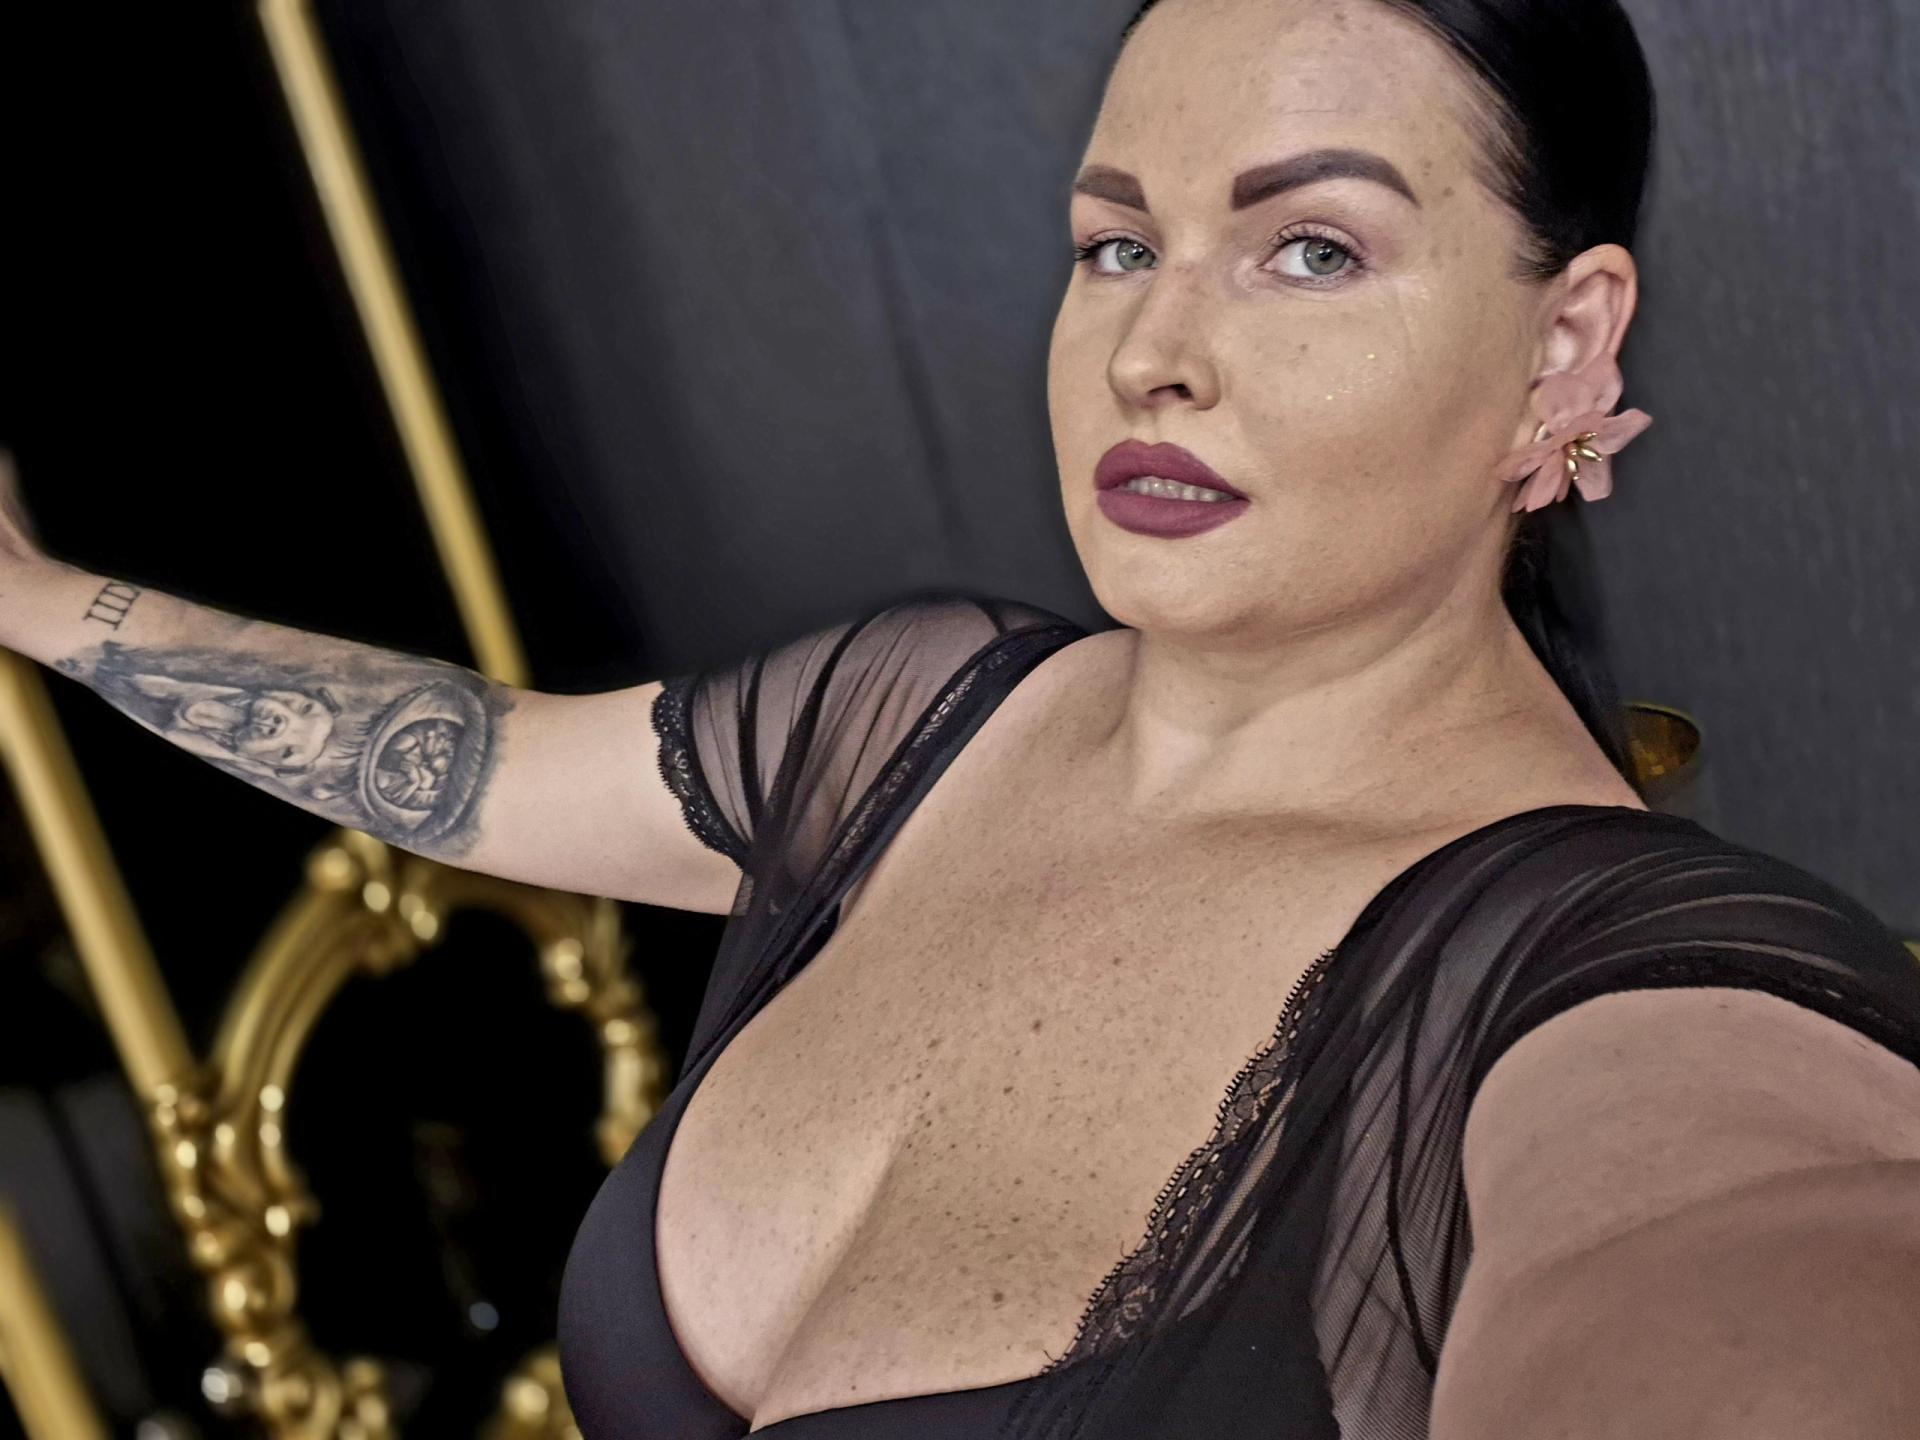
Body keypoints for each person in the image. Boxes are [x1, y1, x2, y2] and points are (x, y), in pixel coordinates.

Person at [5, 0, 1919, 1435]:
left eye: (1310, 248)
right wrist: (30, 598)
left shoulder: (1619, 1007)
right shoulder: (919, 712)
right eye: (1116, 244)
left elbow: (1755, 1266)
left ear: (1565, 346)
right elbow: (484, 763)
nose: (1152, 353)